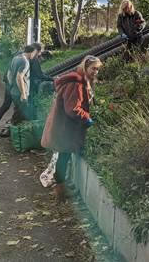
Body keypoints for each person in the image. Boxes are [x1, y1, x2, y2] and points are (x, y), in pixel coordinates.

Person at [41, 55, 102, 202]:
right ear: (85, 67)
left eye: (98, 69)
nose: (95, 72)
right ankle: (60, 192)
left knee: (64, 157)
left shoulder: (81, 81)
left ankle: (61, 189)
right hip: (65, 129)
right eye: (93, 68)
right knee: (63, 158)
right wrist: (87, 118)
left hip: (65, 127)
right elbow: (73, 109)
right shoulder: (76, 84)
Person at [8, 45, 38, 125]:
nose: (34, 55)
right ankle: (15, 134)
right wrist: (23, 93)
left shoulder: (16, 58)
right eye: (34, 53)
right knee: (19, 116)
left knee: (17, 113)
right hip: (20, 93)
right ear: (31, 52)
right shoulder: (25, 62)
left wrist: (11, 85)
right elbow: (19, 77)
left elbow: (9, 74)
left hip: (14, 91)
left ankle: (14, 132)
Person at [29, 43, 54, 119]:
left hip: (29, 82)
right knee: (33, 102)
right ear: (37, 50)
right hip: (32, 84)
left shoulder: (29, 57)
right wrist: (52, 79)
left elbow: (39, 72)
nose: (40, 54)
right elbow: (40, 75)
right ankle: (32, 118)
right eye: (40, 52)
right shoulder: (34, 59)